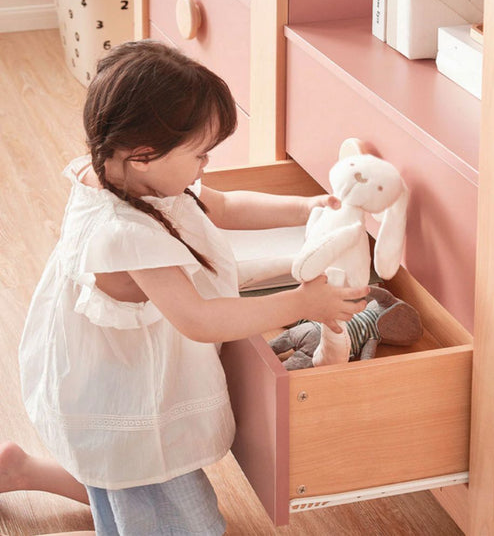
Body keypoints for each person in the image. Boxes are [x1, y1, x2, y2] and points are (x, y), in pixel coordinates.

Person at [0, 40, 368, 535]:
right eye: (200, 154)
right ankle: (28, 472)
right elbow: (200, 319)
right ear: (145, 155)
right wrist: (302, 302)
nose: (206, 165)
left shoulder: (125, 173)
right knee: (157, 494)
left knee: (125, 481)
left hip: (110, 367)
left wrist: (305, 209)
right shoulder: (126, 232)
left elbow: (223, 206)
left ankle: (20, 470)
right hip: (123, 389)